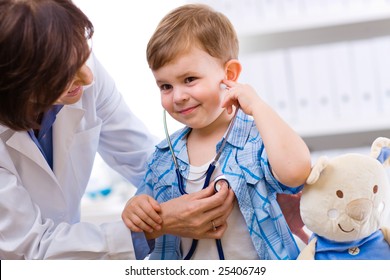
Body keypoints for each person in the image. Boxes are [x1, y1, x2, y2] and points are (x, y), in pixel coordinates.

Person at [0, 0, 235, 259]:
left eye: (82, 54)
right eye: (63, 75)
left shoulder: (76, 66)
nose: (87, 77)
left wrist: (214, 185)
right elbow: (30, 250)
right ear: (18, 85)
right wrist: (151, 224)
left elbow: (146, 160)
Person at [122, 4, 312, 260]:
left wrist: (258, 106)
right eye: (165, 86)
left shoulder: (257, 139)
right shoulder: (163, 156)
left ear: (229, 75)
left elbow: (296, 171)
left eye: (189, 79)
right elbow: (143, 209)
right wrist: (135, 208)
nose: (178, 96)